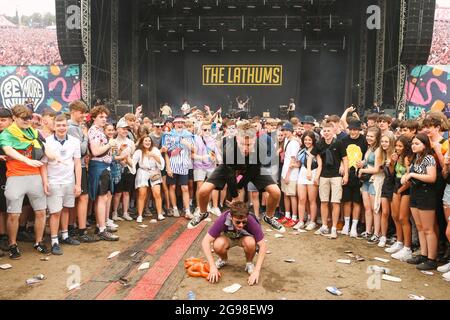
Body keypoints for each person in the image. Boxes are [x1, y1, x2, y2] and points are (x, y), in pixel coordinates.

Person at [189, 121, 283, 232]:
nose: (245, 148)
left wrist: (240, 185)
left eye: (249, 144)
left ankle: (269, 217)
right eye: (242, 144)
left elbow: (252, 171)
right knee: (203, 190)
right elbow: (230, 174)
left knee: (276, 192)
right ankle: (202, 213)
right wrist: (235, 195)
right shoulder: (228, 148)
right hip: (230, 167)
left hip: (252, 167)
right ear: (237, 139)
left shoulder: (260, 147)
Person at [0, 105, 49, 258]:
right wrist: (26, 161)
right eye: (24, 118)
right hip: (15, 177)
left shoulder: (33, 132)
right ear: (14, 117)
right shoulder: (6, 134)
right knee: (13, 214)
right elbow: (9, 150)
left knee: (41, 211)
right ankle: (13, 244)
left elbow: (46, 148)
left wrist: (59, 157)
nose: (28, 121)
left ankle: (38, 242)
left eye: (29, 118)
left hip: (35, 176)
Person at [41, 115, 82, 255]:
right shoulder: (46, 142)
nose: (61, 128)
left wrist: (78, 184)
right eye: (58, 125)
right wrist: (45, 182)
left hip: (69, 181)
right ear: (54, 126)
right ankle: (54, 241)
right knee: (55, 212)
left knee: (66, 209)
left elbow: (77, 163)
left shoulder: (75, 141)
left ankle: (65, 235)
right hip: (54, 181)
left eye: (64, 125)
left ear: (67, 126)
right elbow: (43, 165)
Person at [201, 201, 267, 286]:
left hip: (245, 238)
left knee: (250, 242)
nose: (241, 225)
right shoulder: (223, 218)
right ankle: (223, 260)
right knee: (218, 244)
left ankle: (249, 263)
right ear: (231, 217)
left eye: (244, 222)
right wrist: (212, 266)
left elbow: (263, 245)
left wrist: (257, 271)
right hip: (228, 239)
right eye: (238, 222)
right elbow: (205, 241)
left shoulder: (251, 220)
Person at [402, 133, 438, 270]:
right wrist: (407, 176)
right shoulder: (415, 158)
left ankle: (431, 258)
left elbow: (432, 177)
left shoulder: (429, 158)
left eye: (417, 144)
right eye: (412, 144)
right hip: (415, 192)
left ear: (425, 145)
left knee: (428, 229)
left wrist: (412, 174)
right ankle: (423, 255)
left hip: (426, 193)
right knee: (420, 226)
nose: (413, 146)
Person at [87, 106, 119, 241]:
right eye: (101, 116)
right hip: (99, 167)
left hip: (104, 166)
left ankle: (101, 225)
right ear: (94, 117)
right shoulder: (94, 131)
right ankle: (101, 229)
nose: (104, 119)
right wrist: (109, 144)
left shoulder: (99, 131)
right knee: (101, 198)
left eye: (105, 117)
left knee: (104, 197)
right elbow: (95, 151)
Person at [67, 100, 97, 243]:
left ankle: (74, 228)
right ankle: (80, 230)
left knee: (77, 198)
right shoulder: (72, 127)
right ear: (73, 111)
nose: (83, 116)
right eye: (81, 113)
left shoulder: (76, 126)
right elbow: (83, 149)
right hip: (75, 167)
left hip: (77, 166)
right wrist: (85, 135)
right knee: (81, 198)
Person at [313, 122, 349, 239]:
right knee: (323, 201)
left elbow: (345, 158)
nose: (327, 133)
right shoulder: (320, 144)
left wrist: (346, 174)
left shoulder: (339, 143)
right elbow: (313, 156)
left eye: (329, 130)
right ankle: (324, 226)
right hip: (324, 175)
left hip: (336, 176)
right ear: (322, 132)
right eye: (325, 131)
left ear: (333, 131)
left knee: (335, 202)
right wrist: (314, 174)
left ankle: (333, 228)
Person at [388, 136, 413, 261]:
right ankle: (399, 242)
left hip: (405, 189)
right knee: (395, 216)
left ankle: (407, 248)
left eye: (400, 146)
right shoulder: (398, 157)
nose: (397, 148)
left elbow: (409, 178)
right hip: (397, 186)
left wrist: (400, 190)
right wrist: (392, 163)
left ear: (406, 147)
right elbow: (393, 174)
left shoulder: (408, 158)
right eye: (396, 146)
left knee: (403, 218)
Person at [162, 116, 194, 218]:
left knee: (185, 187)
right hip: (172, 165)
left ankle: (187, 210)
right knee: (172, 187)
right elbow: (166, 152)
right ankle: (175, 208)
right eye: (178, 122)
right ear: (174, 124)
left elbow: (194, 149)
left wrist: (187, 144)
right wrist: (168, 167)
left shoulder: (189, 135)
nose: (180, 124)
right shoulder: (168, 135)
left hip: (184, 165)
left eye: (182, 122)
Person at [341, 120, 368, 237]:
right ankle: (346, 225)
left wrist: (364, 162)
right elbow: (341, 156)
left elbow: (368, 155)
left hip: (359, 175)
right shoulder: (344, 140)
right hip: (347, 173)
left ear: (359, 130)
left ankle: (354, 226)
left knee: (357, 201)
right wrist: (342, 166)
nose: (352, 132)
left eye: (355, 129)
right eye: (351, 129)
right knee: (346, 200)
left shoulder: (364, 140)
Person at [357, 126, 383, 242]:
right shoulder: (369, 148)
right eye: (367, 135)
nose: (369, 138)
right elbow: (368, 162)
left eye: (371, 136)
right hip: (366, 181)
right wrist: (362, 163)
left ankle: (377, 233)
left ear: (377, 137)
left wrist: (362, 170)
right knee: (367, 208)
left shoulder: (378, 150)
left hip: (375, 180)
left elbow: (377, 169)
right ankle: (368, 231)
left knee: (375, 209)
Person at [132, 136, 165, 222]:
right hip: (143, 172)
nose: (147, 142)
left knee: (157, 193)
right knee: (142, 194)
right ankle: (139, 215)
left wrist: (154, 156)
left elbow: (161, 163)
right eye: (145, 141)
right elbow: (132, 163)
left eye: (149, 141)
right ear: (142, 142)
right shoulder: (139, 152)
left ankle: (159, 214)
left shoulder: (155, 150)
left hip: (154, 172)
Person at [294, 130, 322, 231]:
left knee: (312, 200)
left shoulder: (316, 150)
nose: (307, 142)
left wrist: (316, 177)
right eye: (305, 139)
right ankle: (301, 221)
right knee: (301, 199)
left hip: (313, 174)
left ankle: (312, 222)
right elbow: (299, 163)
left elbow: (320, 165)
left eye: (309, 140)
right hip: (302, 174)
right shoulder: (301, 150)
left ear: (313, 140)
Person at [192, 121, 221, 217]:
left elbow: (215, 152)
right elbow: (192, 154)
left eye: (209, 129)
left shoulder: (213, 140)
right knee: (200, 186)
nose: (207, 131)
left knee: (214, 186)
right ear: (201, 130)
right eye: (205, 129)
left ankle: (215, 206)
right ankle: (199, 207)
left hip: (211, 166)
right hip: (199, 165)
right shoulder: (196, 139)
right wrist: (202, 157)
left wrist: (219, 160)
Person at [111, 118, 136, 222]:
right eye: (123, 129)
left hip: (128, 169)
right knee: (118, 193)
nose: (125, 131)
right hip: (117, 170)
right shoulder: (113, 142)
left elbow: (133, 155)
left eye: (127, 129)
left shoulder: (131, 142)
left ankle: (125, 212)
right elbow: (113, 157)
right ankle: (115, 212)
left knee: (126, 192)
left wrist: (128, 162)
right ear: (117, 129)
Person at [279, 122, 300, 227]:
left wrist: (287, 175)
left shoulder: (294, 143)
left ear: (291, 131)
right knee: (286, 195)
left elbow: (293, 161)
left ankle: (294, 217)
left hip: (291, 174)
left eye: (286, 130)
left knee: (292, 195)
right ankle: (287, 216)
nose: (284, 132)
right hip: (285, 172)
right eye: (283, 130)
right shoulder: (287, 140)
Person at [0, 108, 13, 253]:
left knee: (9, 209)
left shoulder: (15, 135)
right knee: (2, 209)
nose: (0, 123)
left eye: (3, 120)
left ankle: (10, 235)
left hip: (13, 175)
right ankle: (3, 236)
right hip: (1, 174)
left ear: (11, 120)